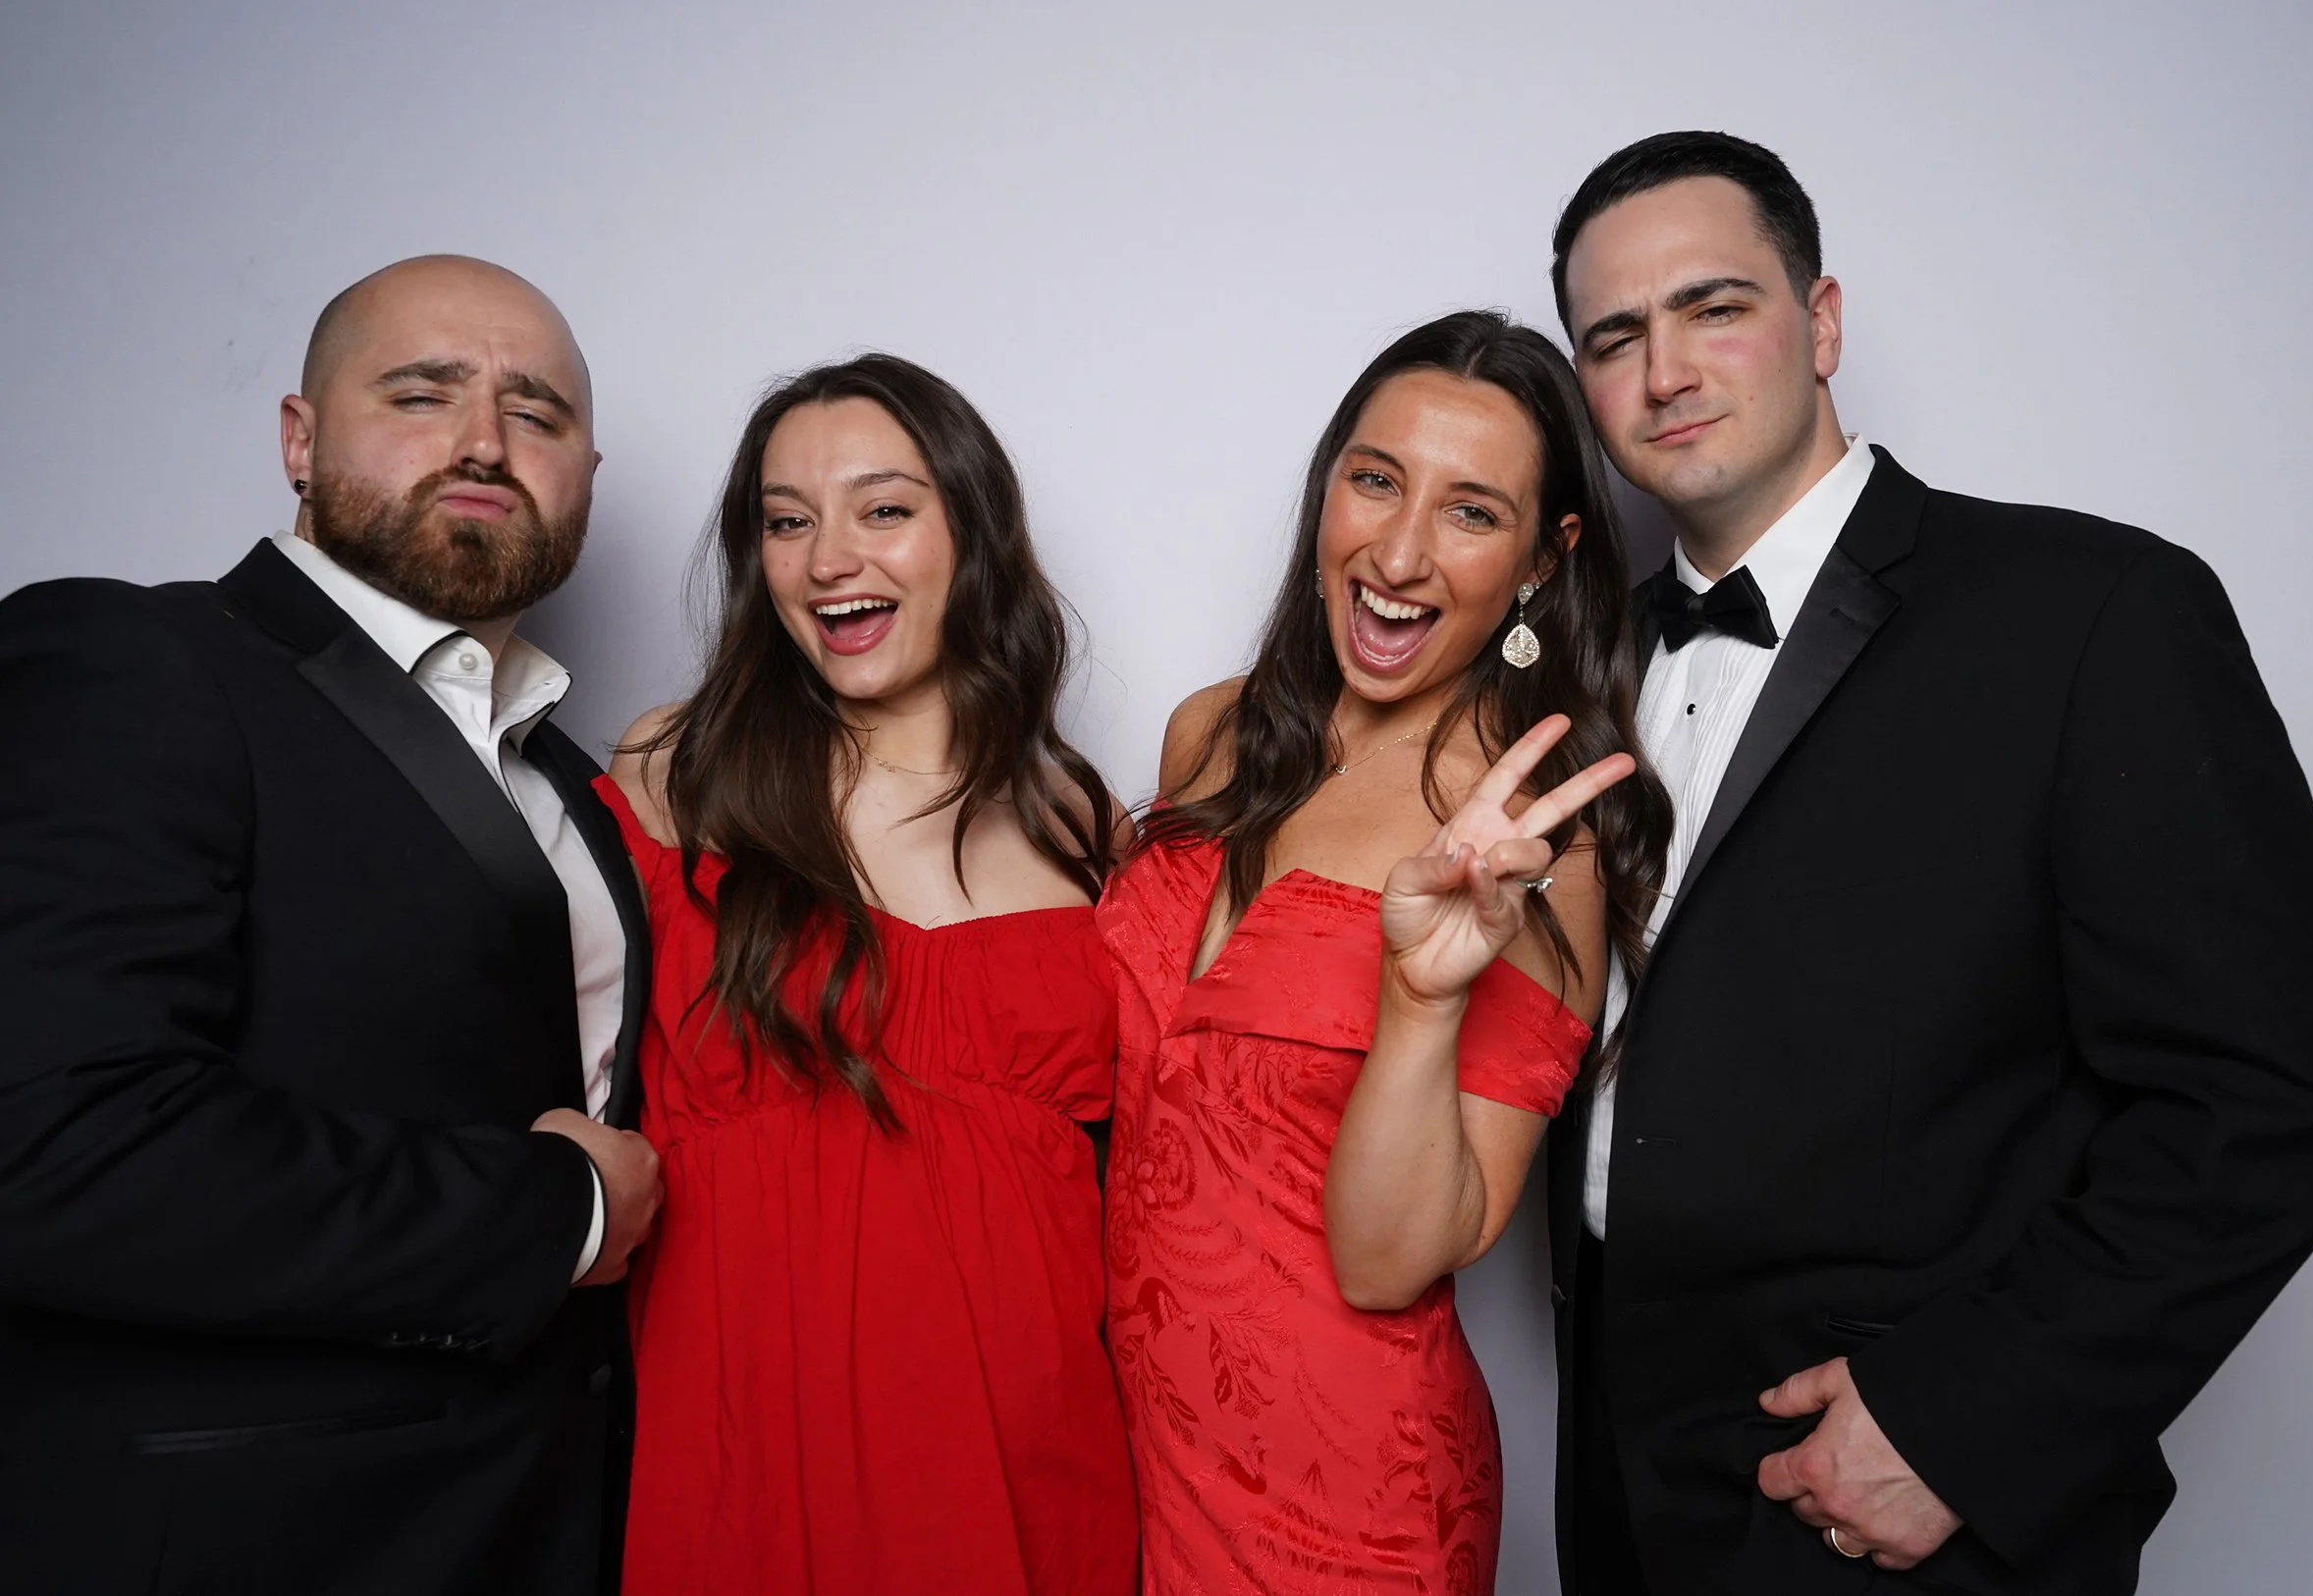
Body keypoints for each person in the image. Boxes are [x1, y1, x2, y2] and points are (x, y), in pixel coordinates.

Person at [1544, 131, 2313, 1595]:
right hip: (1622, 1491)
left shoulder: (2095, 611)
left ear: (1822, 322)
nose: (1664, 370)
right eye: (1615, 337)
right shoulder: (1576, 663)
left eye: (1714, 307)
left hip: (1907, 1502)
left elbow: (2270, 1099)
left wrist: (1963, 1425)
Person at [0, 254, 663, 1595]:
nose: (485, 441)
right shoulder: (135, 661)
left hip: (541, 1527)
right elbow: (49, 1143)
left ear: (587, 475)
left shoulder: (583, 783)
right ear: (299, 440)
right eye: (422, 395)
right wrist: (564, 1209)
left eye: (536, 414)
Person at [1102, 309, 1670, 1596]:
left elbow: (1389, 1259)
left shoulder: (1530, 842)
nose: (1400, 552)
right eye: (1375, 480)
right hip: (1120, 1449)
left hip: (1347, 1497)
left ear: (1542, 561)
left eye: (1471, 511)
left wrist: (1419, 997)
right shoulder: (1211, 733)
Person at [600, 353, 1136, 1596]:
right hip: (749, 1458)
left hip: (1028, 1461)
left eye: (883, 508)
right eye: (787, 522)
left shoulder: (1081, 822)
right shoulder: (677, 773)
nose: (829, 558)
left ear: (973, 533)